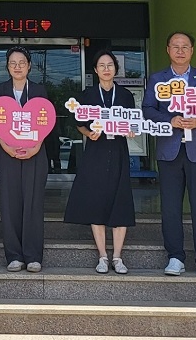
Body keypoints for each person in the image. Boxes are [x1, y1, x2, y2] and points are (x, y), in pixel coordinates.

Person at [142, 31, 196, 278]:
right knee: (170, 206)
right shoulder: (158, 79)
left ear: (192, 50)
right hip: (170, 149)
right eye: (175, 46)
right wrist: (171, 119)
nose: (180, 51)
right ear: (167, 50)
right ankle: (175, 256)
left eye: (184, 46)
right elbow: (147, 109)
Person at [63, 50, 136, 274]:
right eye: (101, 65)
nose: (106, 69)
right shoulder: (88, 95)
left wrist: (132, 129)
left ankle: (118, 257)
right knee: (96, 200)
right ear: (95, 70)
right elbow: (78, 122)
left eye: (110, 65)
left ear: (116, 69)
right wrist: (87, 132)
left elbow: (133, 121)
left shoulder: (125, 95)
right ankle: (103, 256)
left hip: (119, 151)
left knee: (120, 199)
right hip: (96, 150)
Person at [0, 46, 49, 273]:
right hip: (7, 154)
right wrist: (6, 146)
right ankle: (14, 255)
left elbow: (46, 123)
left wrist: (35, 147)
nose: (17, 67)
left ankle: (33, 256)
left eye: (22, 62)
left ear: (29, 66)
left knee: (33, 203)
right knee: (10, 203)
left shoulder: (39, 90)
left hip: (36, 153)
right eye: (13, 63)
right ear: (7, 66)